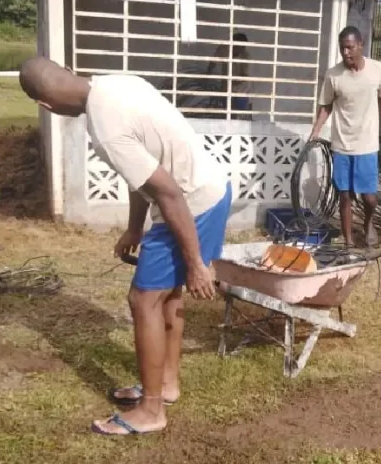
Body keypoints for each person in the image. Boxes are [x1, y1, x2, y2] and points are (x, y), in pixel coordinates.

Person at [17, 56, 232, 436]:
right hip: (209, 187)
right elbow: (145, 175)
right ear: (68, 70)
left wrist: (196, 261)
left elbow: (166, 191)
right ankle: (166, 385)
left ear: (45, 106)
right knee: (167, 294)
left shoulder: (105, 127)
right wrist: (135, 229)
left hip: (189, 201)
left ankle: (151, 411)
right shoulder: (118, 83)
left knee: (143, 299)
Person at [309, 26, 381, 247]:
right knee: (345, 196)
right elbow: (326, 105)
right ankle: (349, 243)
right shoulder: (333, 75)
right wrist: (316, 131)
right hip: (342, 145)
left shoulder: (377, 69)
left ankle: (368, 222)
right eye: (342, 49)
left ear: (361, 45)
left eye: (349, 48)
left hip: (367, 145)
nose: (346, 53)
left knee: (369, 197)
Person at [206, 31, 251, 118]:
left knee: (237, 115)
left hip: (241, 90)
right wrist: (207, 76)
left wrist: (232, 82)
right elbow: (213, 63)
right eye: (237, 46)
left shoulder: (246, 56)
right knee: (228, 113)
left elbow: (244, 76)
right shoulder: (224, 50)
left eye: (243, 47)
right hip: (226, 89)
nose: (240, 48)